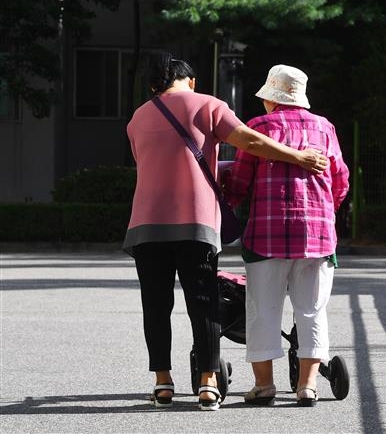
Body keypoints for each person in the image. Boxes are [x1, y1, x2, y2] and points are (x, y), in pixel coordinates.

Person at [122, 54, 328, 411]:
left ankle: (162, 383)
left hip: (146, 225)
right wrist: (299, 158)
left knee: (155, 306)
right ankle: (207, 384)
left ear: (155, 85)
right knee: (203, 304)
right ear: (190, 81)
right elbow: (251, 141)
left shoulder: (137, 118)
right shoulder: (208, 105)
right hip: (195, 222)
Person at [224, 64, 350, 407]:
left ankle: (264, 386)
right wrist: (325, 211)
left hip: (267, 233)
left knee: (263, 309)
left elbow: (239, 179)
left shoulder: (259, 126)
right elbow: (341, 181)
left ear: (271, 99)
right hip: (318, 236)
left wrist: (226, 204)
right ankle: (307, 387)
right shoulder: (325, 128)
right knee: (312, 310)